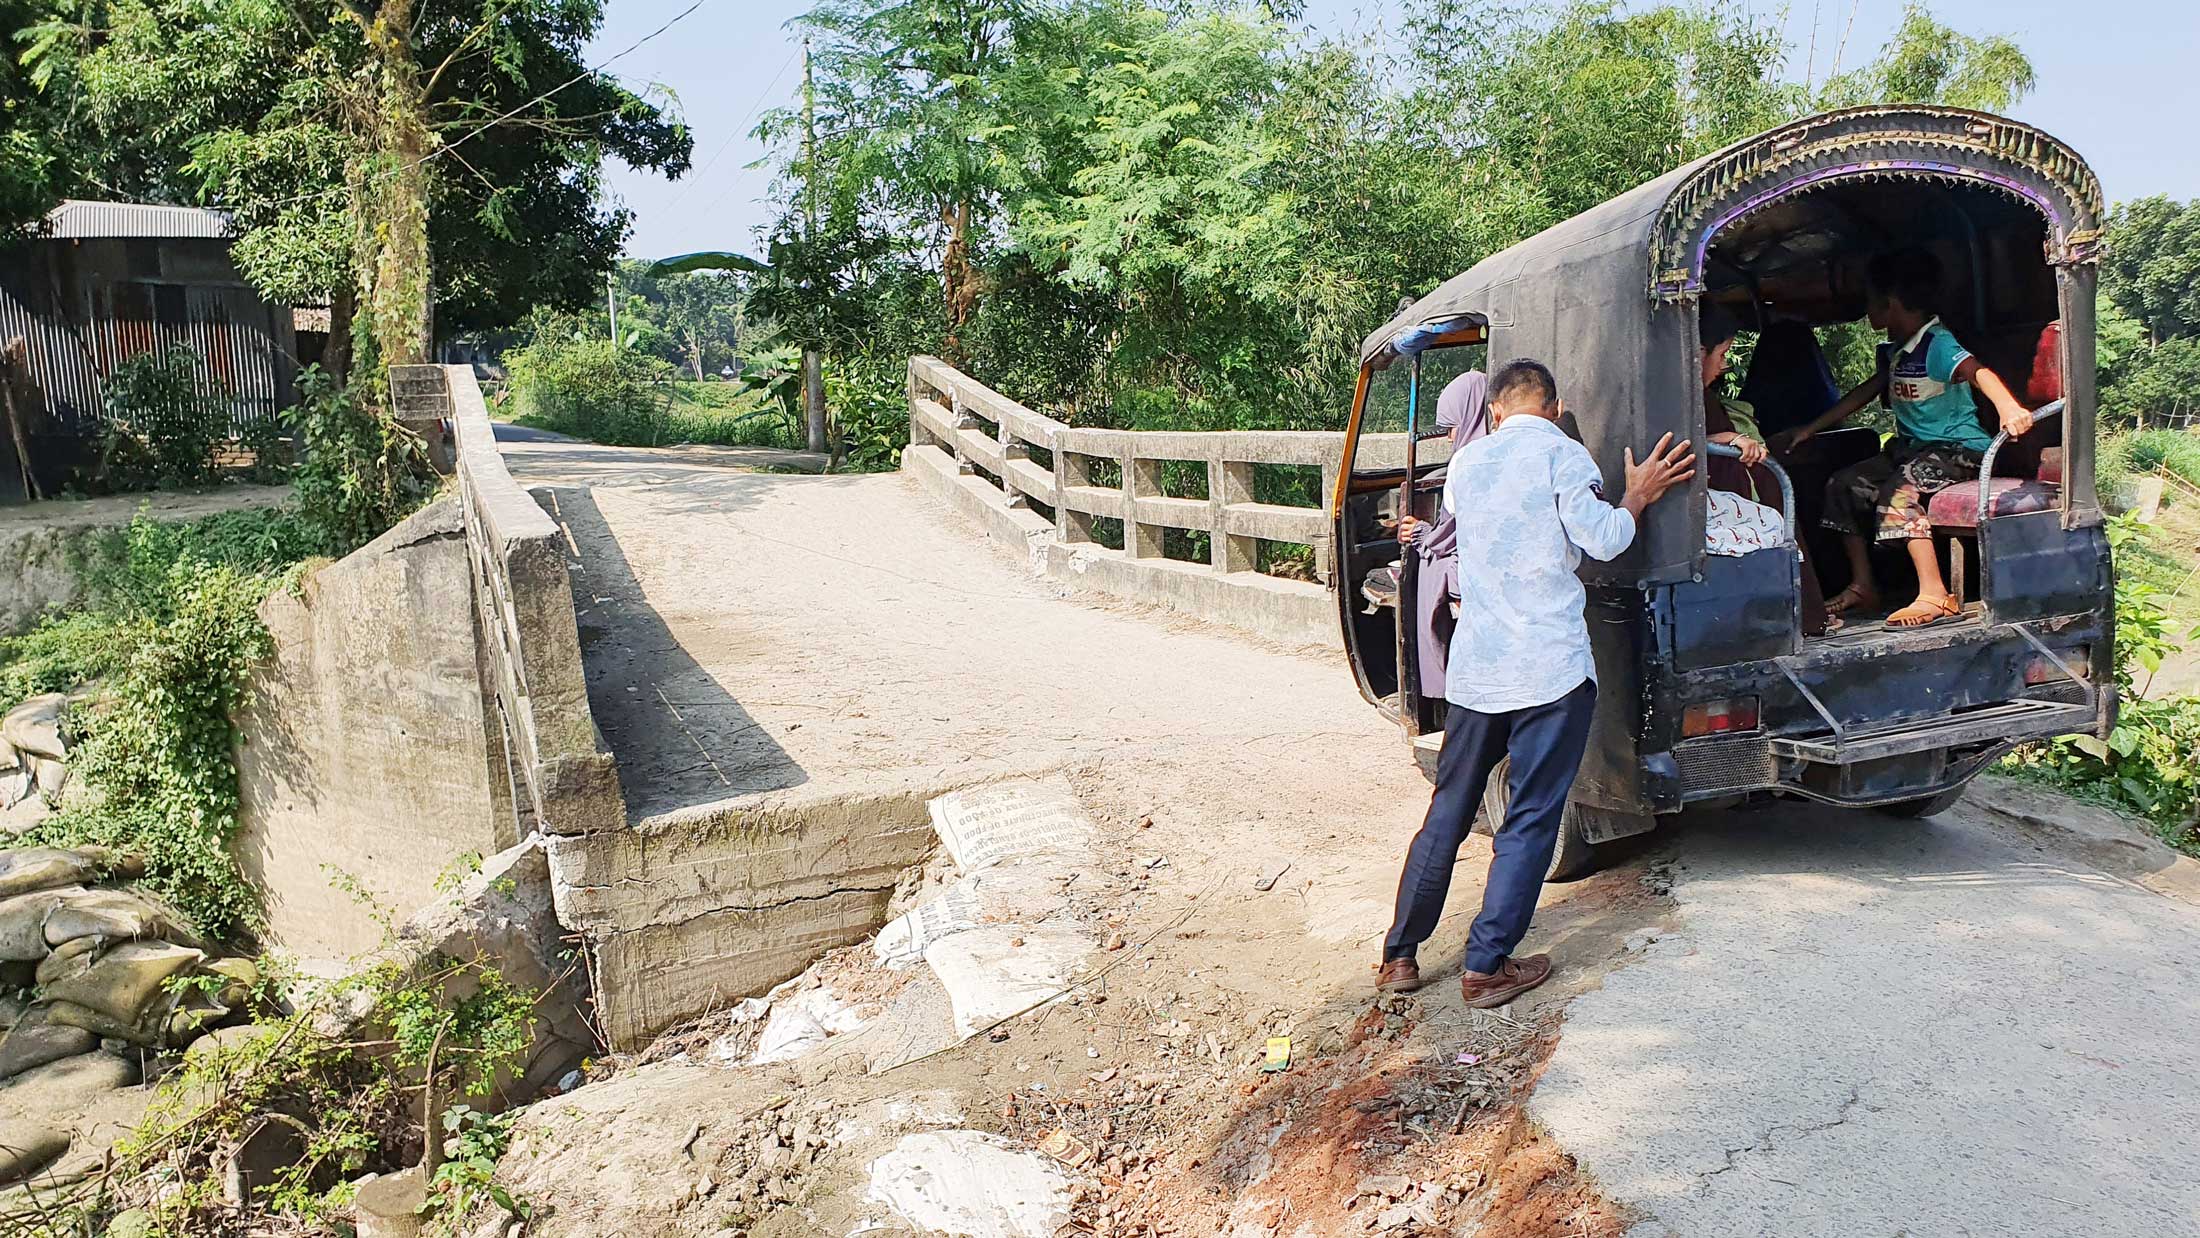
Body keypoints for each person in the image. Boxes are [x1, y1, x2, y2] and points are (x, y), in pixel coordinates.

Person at [1376, 360, 1695, 1007]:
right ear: (1553, 406)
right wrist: (1636, 494)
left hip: (1478, 672)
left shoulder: (1467, 465)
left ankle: (1400, 957)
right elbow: (1603, 540)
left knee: (1448, 812)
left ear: (1494, 411)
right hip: (1548, 671)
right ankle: (1485, 965)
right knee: (1526, 821)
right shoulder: (1563, 454)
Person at [1771, 249, 2035, 627]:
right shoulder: (1898, 349)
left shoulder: (1937, 343)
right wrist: (1809, 429)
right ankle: (1864, 585)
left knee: (1901, 491)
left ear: (1890, 303)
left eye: (1869, 303)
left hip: (1958, 450)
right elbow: (1866, 391)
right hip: (1913, 451)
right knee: (1843, 486)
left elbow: (1979, 372)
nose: (1866, 312)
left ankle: (1935, 594)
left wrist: (2009, 408)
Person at [1698, 304, 1831, 635]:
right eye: (1723, 354)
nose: (1725, 365)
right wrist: (1726, 439)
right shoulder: (1684, 396)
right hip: (1704, 502)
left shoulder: (1698, 395)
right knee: (1774, 520)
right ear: (1699, 353)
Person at [1395, 370, 1490, 689]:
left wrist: (1420, 534)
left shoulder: (1467, 462)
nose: (1450, 437)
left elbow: (1450, 537)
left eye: (1453, 427)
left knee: (1430, 567)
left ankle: (1438, 681)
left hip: (1477, 572)